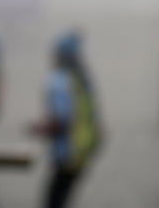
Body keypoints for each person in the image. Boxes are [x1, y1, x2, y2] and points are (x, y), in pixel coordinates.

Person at [29, 31, 104, 208]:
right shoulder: (82, 78)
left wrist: (38, 128)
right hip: (83, 147)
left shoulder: (58, 81)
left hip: (67, 150)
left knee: (53, 199)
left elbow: (62, 120)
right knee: (63, 196)